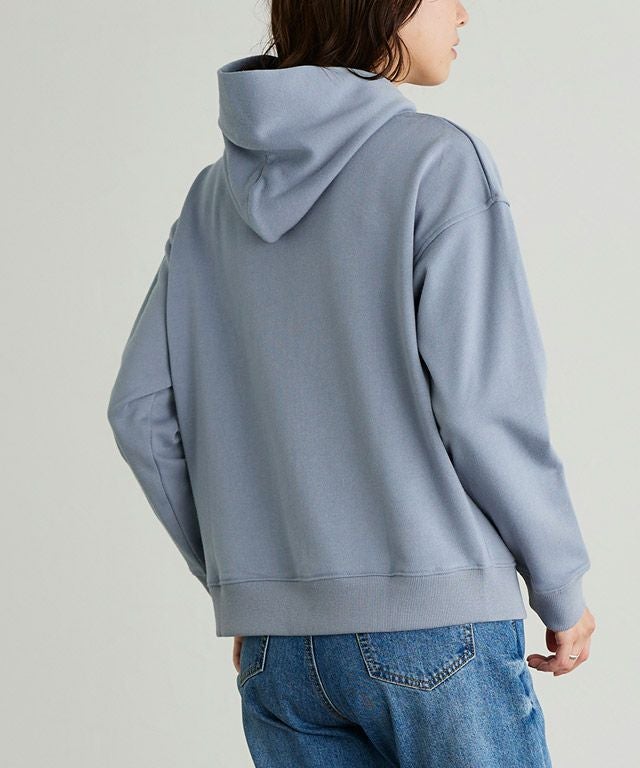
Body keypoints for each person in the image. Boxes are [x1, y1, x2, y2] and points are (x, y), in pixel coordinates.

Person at [107, 1, 596, 765]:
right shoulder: (437, 162)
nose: (463, 12)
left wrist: (253, 585)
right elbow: (482, 407)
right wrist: (559, 583)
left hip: (278, 650)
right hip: (438, 630)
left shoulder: (209, 201)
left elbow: (139, 413)